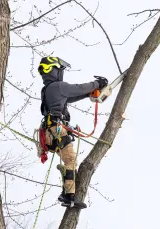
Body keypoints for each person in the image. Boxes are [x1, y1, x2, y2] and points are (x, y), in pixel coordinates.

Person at [38, 56, 108, 208]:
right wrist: (97, 83)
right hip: (57, 130)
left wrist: (90, 94)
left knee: (69, 161)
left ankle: (68, 192)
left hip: (50, 132)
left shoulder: (48, 90)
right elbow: (78, 88)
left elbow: (72, 97)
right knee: (70, 160)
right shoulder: (58, 86)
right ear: (54, 70)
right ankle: (69, 196)